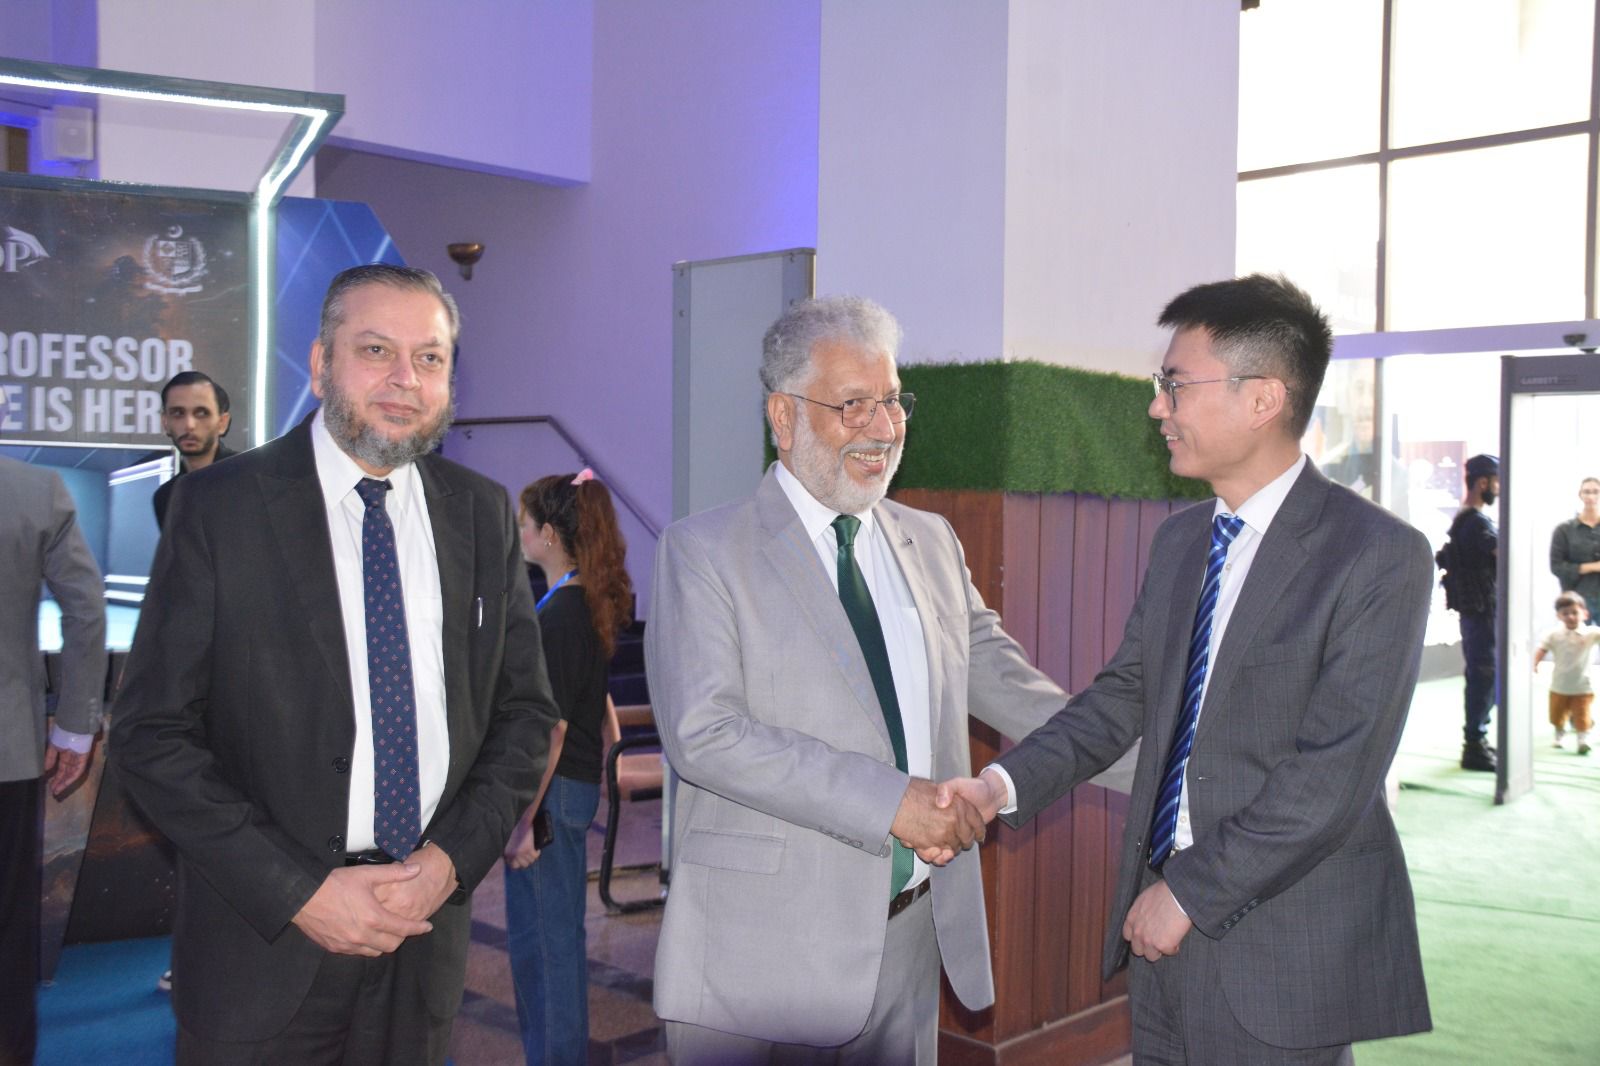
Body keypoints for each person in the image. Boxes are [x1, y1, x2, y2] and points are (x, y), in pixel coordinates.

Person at [942, 274, 1434, 1063]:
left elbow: (1331, 778)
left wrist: (1190, 893)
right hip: (1161, 929)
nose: (1156, 408)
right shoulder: (1182, 541)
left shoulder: (1377, 555)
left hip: (1282, 946)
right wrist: (999, 786)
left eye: (1175, 385)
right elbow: (1120, 699)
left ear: (1263, 398)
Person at [110, 264, 559, 1063]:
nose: (405, 378)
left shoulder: (481, 511)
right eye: (376, 350)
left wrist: (448, 862)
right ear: (320, 365)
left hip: (422, 940)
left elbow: (524, 716)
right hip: (264, 949)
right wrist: (301, 893)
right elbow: (152, 734)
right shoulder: (219, 507)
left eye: (429, 358)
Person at [645, 295, 1067, 1064]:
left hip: (906, 948)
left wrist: (1164, 747)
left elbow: (1013, 687)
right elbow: (706, 736)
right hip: (758, 964)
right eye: (853, 406)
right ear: (783, 416)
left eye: (893, 401)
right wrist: (893, 802)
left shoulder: (931, 541)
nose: (884, 428)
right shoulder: (703, 552)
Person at [502, 468, 633, 1065]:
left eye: (525, 525)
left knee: (544, 951)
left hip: (550, 796)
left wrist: (522, 823)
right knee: (556, 942)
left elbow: (550, 731)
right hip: (566, 792)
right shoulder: (579, 602)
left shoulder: (559, 615)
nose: (520, 534)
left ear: (549, 534)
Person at [0, 456, 106, 1066]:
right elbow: (85, 608)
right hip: (6, 750)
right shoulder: (35, 490)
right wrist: (75, 726)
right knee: (8, 928)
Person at [1436, 453, 1500, 772]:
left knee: (1482, 672)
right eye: (1496, 482)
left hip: (1478, 609)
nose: (1498, 489)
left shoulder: (1467, 519)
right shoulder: (1476, 522)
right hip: (1481, 610)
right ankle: (1475, 743)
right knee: (1483, 673)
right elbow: (1502, 553)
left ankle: (1478, 739)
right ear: (1483, 482)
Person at [152, 370, 237, 529]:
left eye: (202, 413)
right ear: (165, 422)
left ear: (222, 423)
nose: (189, 425)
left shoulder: (249, 480)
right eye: (178, 413)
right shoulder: (166, 497)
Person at [1532, 591, 1600, 755]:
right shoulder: (1553, 635)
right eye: (1565, 613)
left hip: (1583, 685)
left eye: (1574, 612)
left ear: (1584, 614)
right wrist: (1535, 663)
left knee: (1582, 715)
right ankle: (1559, 735)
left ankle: (1583, 740)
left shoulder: (1591, 633)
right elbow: (1542, 649)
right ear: (1559, 616)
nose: (1570, 616)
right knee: (1557, 715)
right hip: (1559, 685)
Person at [1549, 476, 1600, 624]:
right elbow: (1557, 567)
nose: (1591, 496)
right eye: (1587, 492)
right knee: (1577, 638)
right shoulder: (1564, 530)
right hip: (1576, 600)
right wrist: (1592, 567)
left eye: (1595, 492)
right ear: (1580, 495)